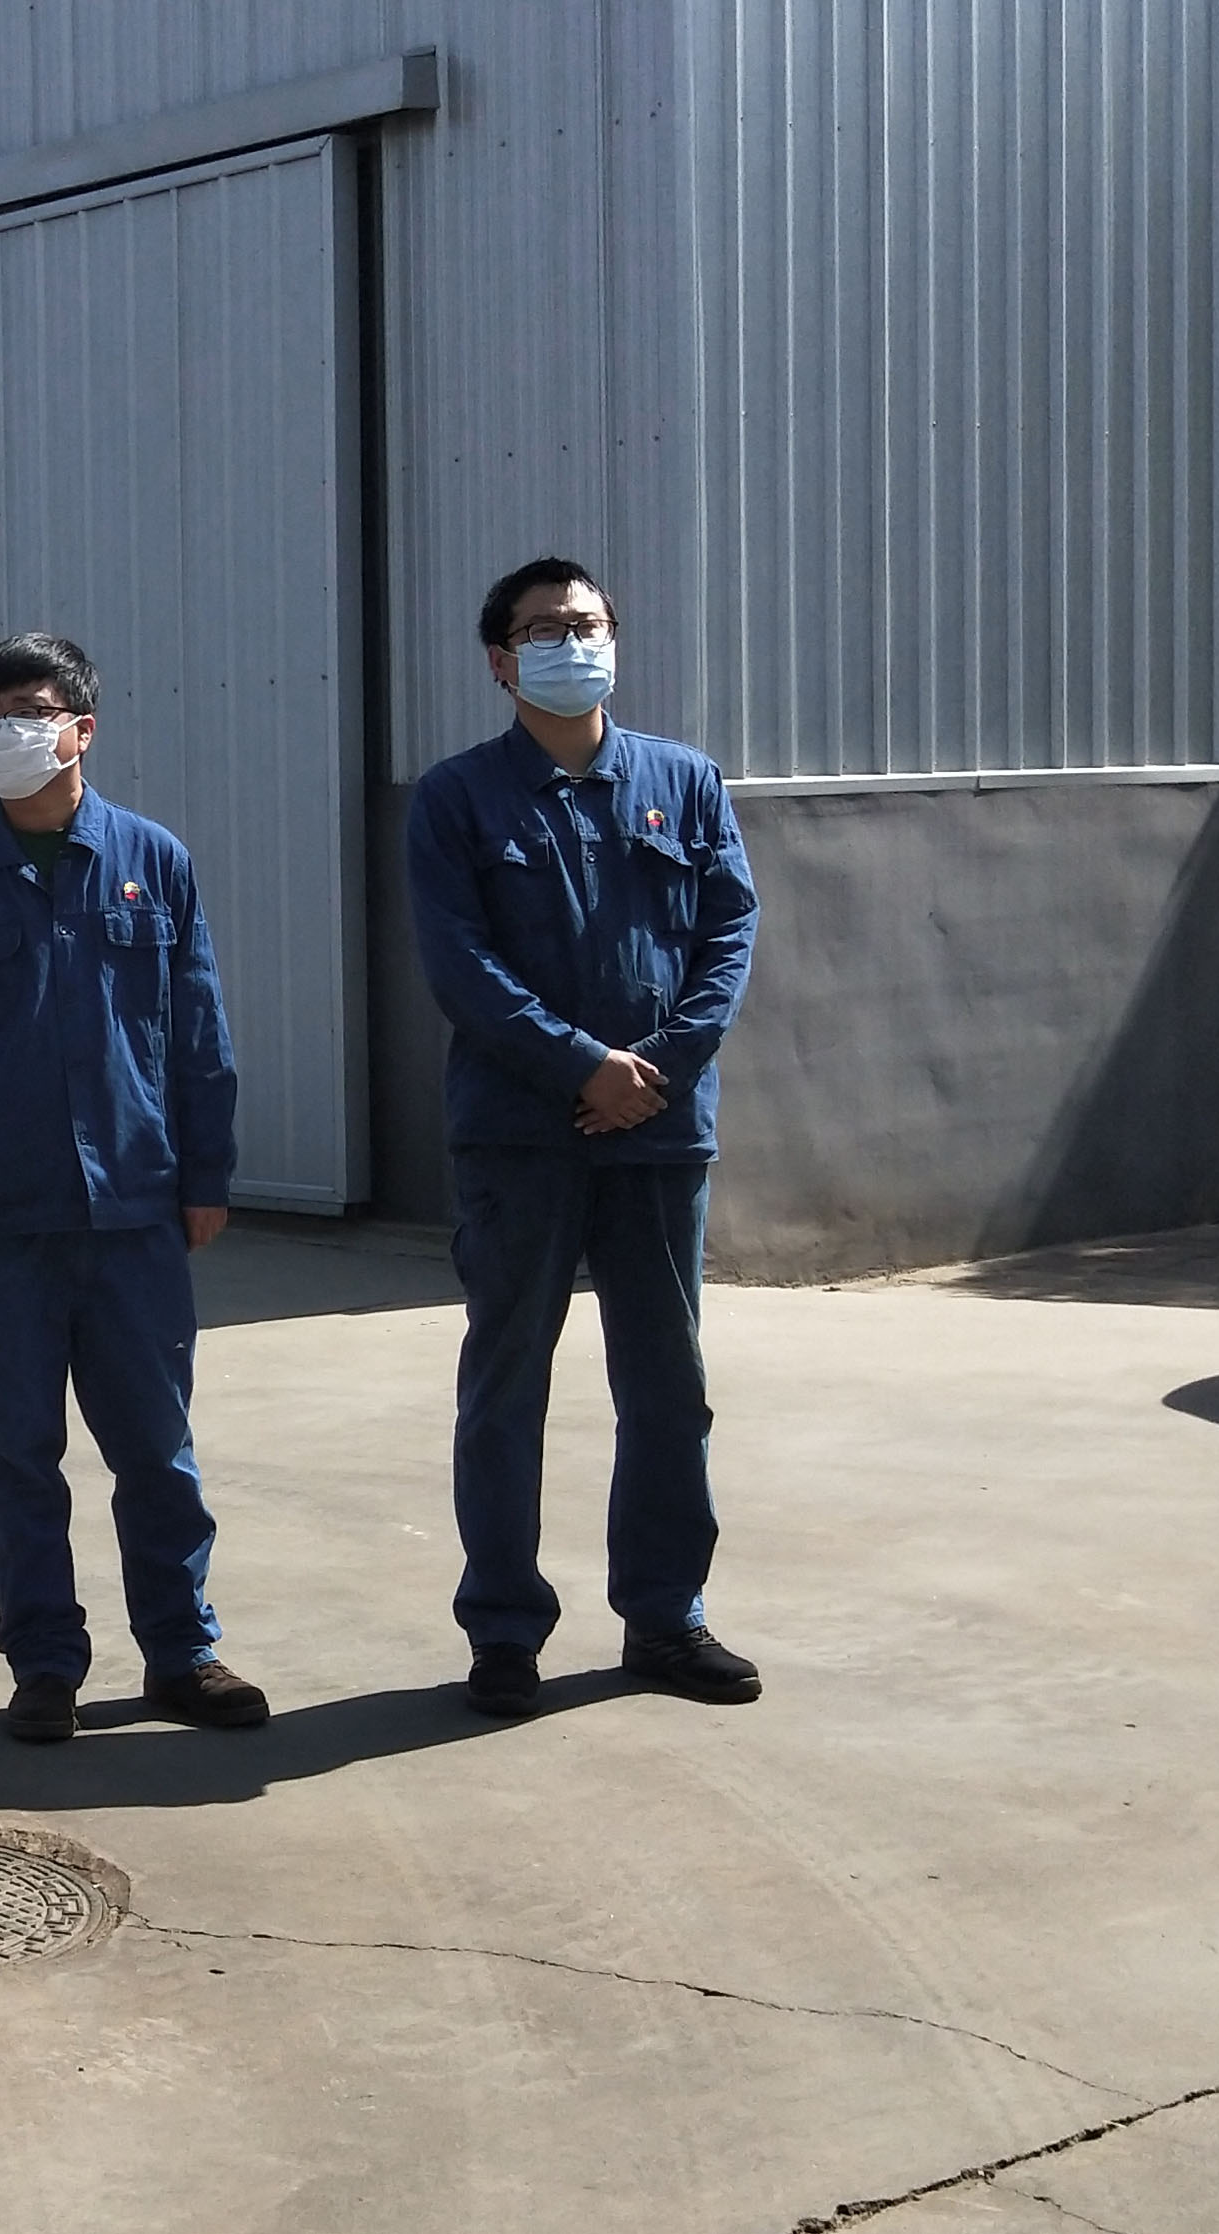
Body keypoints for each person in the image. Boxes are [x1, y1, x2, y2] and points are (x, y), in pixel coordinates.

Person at [0, 631, 266, 1745]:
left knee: (156, 1450)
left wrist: (206, 1171)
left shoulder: (152, 859)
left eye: (31, 712)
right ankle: (44, 1664)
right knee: (16, 1455)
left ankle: (182, 1652)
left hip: (134, 1208)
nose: (8, 731)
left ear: (81, 729)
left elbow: (197, 1030)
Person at [404, 556, 763, 1720]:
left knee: (666, 1387)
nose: (572, 639)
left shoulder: (682, 780)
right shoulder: (456, 798)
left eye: (587, 621)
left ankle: (665, 1616)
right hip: (519, 1136)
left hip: (656, 1133)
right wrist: (581, 1065)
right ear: (500, 659)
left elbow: (727, 931)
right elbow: (460, 964)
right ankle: (503, 1630)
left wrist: (654, 1070)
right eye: (545, 627)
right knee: (505, 1386)